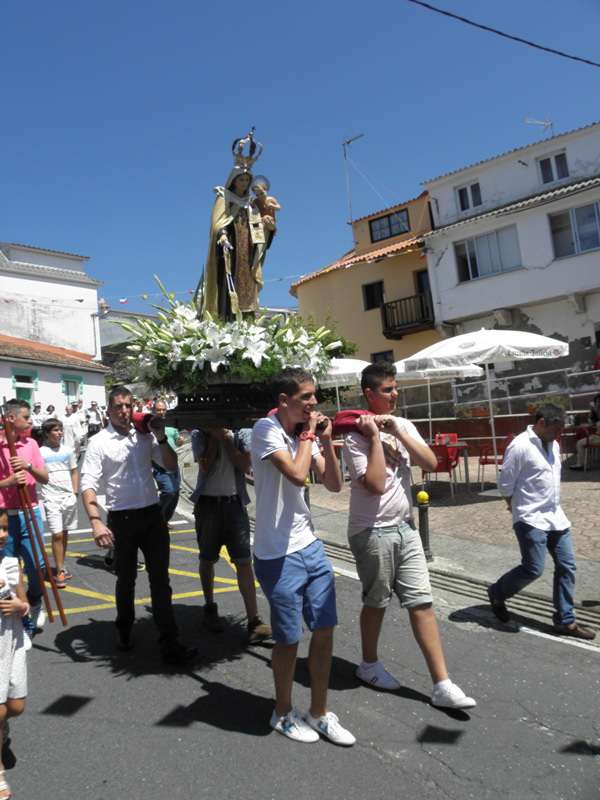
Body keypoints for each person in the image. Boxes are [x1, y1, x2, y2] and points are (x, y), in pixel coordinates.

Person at [342, 362, 476, 709]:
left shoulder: (403, 424)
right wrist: (374, 437)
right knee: (377, 602)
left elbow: (430, 463)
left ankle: (442, 684)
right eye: (387, 390)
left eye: (395, 387)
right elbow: (374, 485)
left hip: (406, 527)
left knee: (423, 602)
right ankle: (368, 665)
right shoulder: (354, 434)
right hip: (372, 531)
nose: (395, 394)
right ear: (369, 394)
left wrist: (398, 432)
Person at [251, 368, 355, 746]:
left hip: (309, 545)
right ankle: (282, 711)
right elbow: (297, 474)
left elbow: (333, 484)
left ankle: (320, 711)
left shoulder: (302, 435)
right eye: (306, 397)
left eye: (315, 396)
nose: (314, 403)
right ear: (284, 401)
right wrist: (310, 435)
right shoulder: (266, 430)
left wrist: (325, 443)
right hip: (276, 553)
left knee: (325, 629)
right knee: (289, 639)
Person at [80, 385, 195, 664]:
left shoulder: (144, 437)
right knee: (127, 580)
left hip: (152, 516)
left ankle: (170, 640)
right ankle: (124, 630)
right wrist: (96, 521)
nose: (124, 411)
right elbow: (88, 484)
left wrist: (160, 437)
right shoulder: (98, 443)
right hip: (122, 519)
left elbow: (168, 466)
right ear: (108, 411)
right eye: (118, 406)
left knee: (160, 581)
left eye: (128, 406)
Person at [488, 404, 595, 640]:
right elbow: (505, 484)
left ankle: (565, 621)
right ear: (542, 423)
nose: (558, 436)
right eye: (555, 429)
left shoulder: (553, 444)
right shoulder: (520, 446)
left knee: (567, 566)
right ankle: (497, 592)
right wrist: (513, 505)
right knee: (533, 568)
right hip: (530, 517)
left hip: (556, 517)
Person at [191, 425, 271, 642]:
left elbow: (246, 466)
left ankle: (253, 619)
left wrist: (226, 439)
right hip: (207, 504)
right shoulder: (199, 434)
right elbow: (205, 466)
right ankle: (209, 606)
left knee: (243, 561)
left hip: (234, 504)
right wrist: (214, 439)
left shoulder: (242, 433)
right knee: (207, 558)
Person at [197, 129, 277, 320]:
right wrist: (222, 234)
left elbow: (259, 226)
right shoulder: (224, 197)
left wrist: (268, 226)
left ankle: (247, 319)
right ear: (234, 180)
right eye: (241, 179)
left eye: (247, 180)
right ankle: (226, 317)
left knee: (247, 283)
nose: (244, 183)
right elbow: (218, 222)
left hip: (246, 250)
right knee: (228, 281)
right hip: (229, 250)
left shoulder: (251, 203)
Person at [0, 400, 49, 633]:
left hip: (30, 510)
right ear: (10, 419)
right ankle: (21, 615)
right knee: (9, 569)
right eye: (26, 417)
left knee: (36, 565)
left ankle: (36, 599)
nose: (30, 421)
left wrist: (28, 466)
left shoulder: (31, 444)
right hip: (4, 516)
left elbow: (44, 477)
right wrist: (7, 483)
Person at [0, 507, 31, 800]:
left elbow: (24, 603)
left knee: (16, 706)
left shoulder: (10, 564)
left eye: (4, 528)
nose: (1, 535)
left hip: (13, 641)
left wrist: (20, 607)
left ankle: (3, 728)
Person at [39, 419, 78, 589]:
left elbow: (74, 471)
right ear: (47, 433)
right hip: (50, 497)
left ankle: (61, 565)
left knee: (64, 532)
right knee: (56, 534)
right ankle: (60, 570)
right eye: (56, 430)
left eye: (61, 430)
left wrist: (74, 492)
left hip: (68, 497)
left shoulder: (68, 451)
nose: (60, 433)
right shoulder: (41, 452)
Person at [152, 399, 183, 522]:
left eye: (163, 409)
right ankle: (156, 518)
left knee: (175, 495)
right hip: (159, 466)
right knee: (169, 491)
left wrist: (179, 440)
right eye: (158, 410)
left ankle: (164, 520)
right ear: (154, 411)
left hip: (174, 464)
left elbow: (177, 441)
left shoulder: (171, 425)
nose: (161, 412)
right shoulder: (151, 425)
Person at [570, 393, 600, 470]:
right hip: (596, 436)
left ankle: (581, 464)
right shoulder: (596, 413)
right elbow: (591, 423)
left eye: (598, 402)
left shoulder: (598, 412)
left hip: (598, 438)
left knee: (580, 443)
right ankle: (584, 462)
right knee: (583, 439)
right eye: (597, 402)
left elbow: (592, 424)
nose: (598, 404)